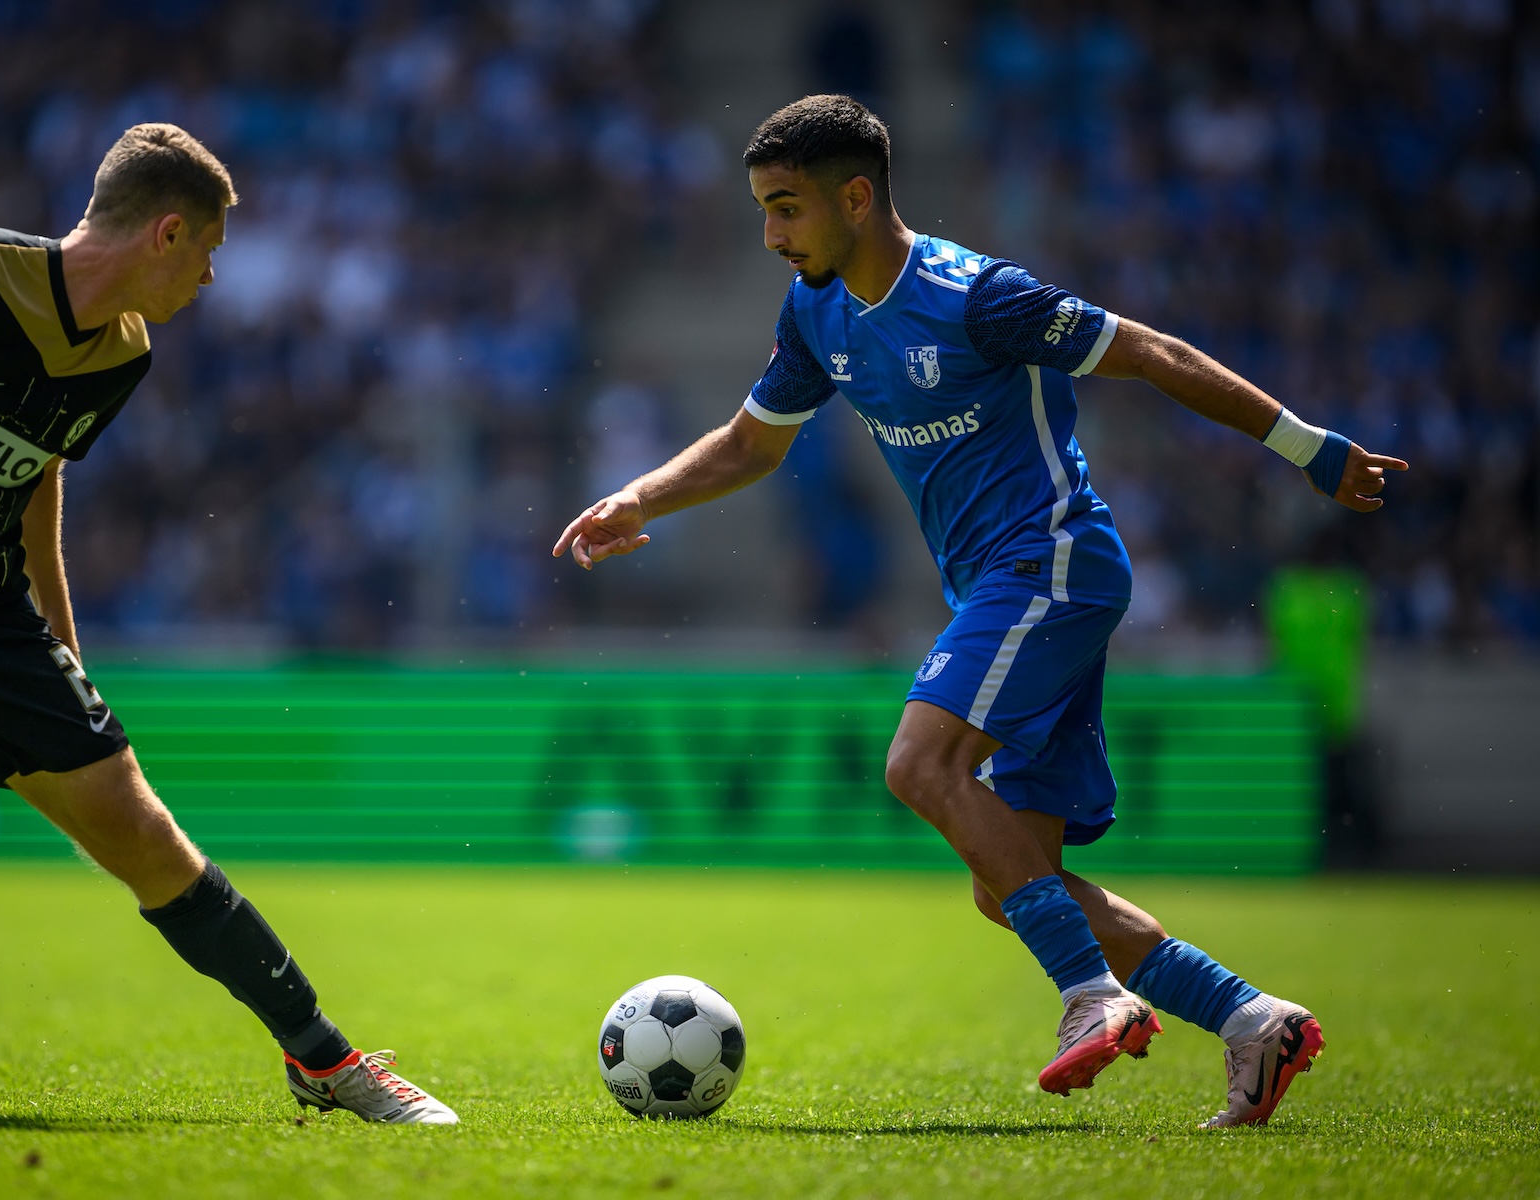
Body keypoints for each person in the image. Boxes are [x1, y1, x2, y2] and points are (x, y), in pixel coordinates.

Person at [555, 95, 1406, 1128]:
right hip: (1003, 586)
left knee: (919, 765)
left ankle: (1092, 995)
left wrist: (1309, 450)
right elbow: (751, 442)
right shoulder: (817, 311)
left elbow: (1154, 353)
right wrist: (640, 495)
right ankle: (1251, 1021)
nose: (771, 236)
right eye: (762, 212)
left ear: (856, 198)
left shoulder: (978, 298)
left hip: (1051, 563)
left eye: (786, 209)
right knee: (1009, 884)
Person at [0, 122, 455, 1125]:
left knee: (147, 839)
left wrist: (58, 642)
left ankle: (325, 1062)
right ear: (166, 232)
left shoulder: (124, 355)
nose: (210, 280)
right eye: (209, 252)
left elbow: (35, 475)